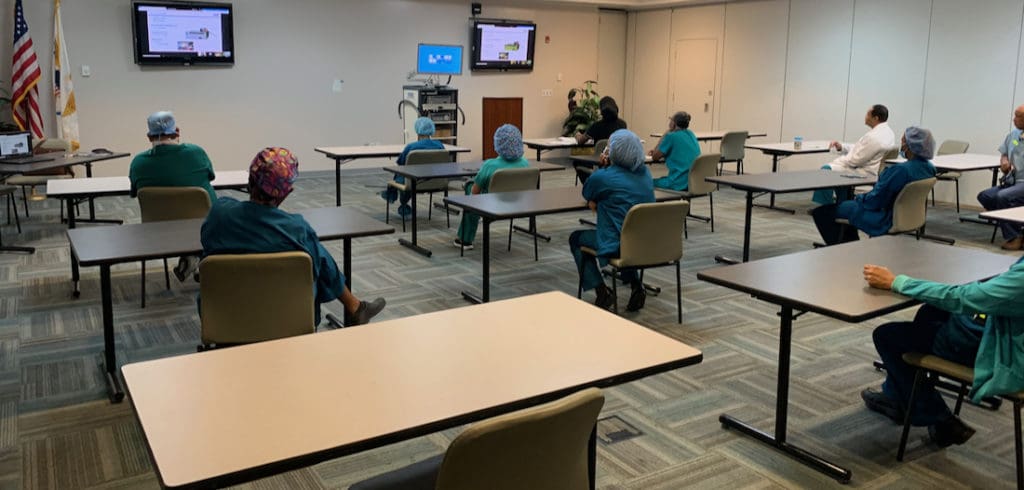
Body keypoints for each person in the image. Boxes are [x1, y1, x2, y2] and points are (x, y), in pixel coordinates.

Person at [201, 147, 385, 327]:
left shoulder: (219, 214)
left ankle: (355, 307)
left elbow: (206, 240)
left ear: (249, 179)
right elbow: (317, 272)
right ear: (286, 193)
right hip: (289, 318)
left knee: (313, 253)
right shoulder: (296, 228)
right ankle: (355, 306)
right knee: (316, 257)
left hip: (224, 319)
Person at [861, 255, 1024, 447]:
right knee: (931, 311)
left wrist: (896, 282)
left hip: (1000, 352)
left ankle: (939, 419)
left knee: (886, 336)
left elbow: (965, 297)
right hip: (1002, 329)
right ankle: (897, 395)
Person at [569, 129, 655, 311]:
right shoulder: (646, 174)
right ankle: (636, 286)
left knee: (576, 238)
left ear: (612, 152)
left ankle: (602, 292)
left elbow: (587, 192)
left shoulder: (603, 177)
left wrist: (603, 167)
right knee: (627, 235)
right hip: (646, 243)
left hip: (619, 245)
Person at [811, 126, 936, 245]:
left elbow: (876, 201)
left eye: (903, 141)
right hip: (909, 217)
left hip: (884, 218)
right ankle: (850, 245)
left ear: (910, 146)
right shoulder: (929, 168)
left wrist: (859, 198)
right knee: (846, 206)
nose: (901, 145)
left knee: (823, 212)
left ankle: (843, 248)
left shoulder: (900, 171)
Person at [129, 110, 216, 281]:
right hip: (203, 224)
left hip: (159, 229)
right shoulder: (196, 153)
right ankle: (201, 257)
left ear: (149, 137)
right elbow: (210, 176)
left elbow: (134, 192)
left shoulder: (138, 163)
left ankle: (194, 257)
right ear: (177, 132)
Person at [453, 124, 530, 250]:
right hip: (518, 205)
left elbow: (475, 191)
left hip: (492, 205)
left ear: (498, 143)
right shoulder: (525, 163)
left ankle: (465, 239)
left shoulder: (490, 165)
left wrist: (470, 184)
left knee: (469, 188)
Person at [812, 104, 897, 205]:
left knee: (826, 170)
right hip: (872, 169)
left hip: (864, 172)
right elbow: (860, 148)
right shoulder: (888, 133)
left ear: (876, 118)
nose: (865, 117)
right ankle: (841, 204)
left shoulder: (874, 137)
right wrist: (841, 147)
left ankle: (826, 207)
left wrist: (836, 162)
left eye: (867, 114)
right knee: (837, 172)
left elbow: (854, 161)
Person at [978, 104, 1024, 250]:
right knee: (985, 196)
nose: (1014, 119)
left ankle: (1014, 237)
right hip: (1012, 180)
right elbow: (1004, 153)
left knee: (1003, 198)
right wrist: (1004, 161)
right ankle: (1018, 229)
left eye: (1018, 116)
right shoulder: (1014, 135)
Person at [382, 117, 446, 218]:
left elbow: (401, 163)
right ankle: (393, 194)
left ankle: (395, 197)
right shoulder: (440, 146)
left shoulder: (411, 147)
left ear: (417, 130)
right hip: (435, 182)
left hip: (414, 183)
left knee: (402, 174)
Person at [574, 97, 628, 184]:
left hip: (599, 158)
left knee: (576, 158)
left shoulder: (597, 126)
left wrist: (577, 135)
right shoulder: (622, 124)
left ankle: (589, 183)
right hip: (617, 159)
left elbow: (581, 141)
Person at [649, 111, 701, 191]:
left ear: (674, 123)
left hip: (678, 183)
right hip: (694, 182)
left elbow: (655, 157)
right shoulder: (691, 134)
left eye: (670, 120)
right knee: (663, 179)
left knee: (647, 182)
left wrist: (666, 133)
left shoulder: (671, 136)